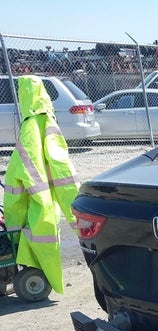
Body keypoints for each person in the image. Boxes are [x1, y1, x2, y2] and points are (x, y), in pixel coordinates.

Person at [2, 75, 79, 295]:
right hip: (47, 207)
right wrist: (77, 216)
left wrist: (12, 230)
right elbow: (64, 175)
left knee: (39, 248)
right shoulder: (48, 126)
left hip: (35, 209)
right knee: (45, 250)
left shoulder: (30, 129)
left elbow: (17, 182)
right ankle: (41, 276)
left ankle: (36, 278)